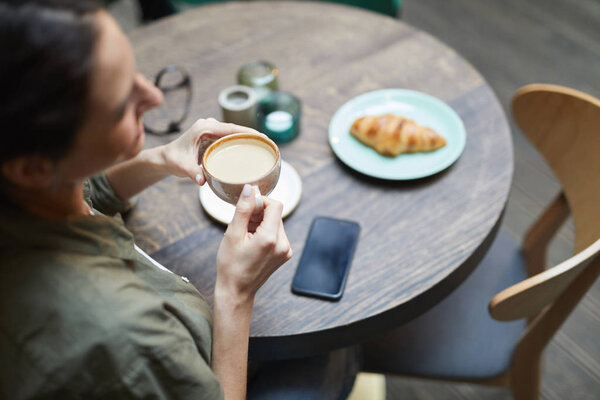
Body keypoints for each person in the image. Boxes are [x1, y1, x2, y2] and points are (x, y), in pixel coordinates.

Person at [0, 1, 359, 399]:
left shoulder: (27, 193)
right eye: (121, 103)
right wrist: (236, 294)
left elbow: (87, 191)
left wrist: (159, 159)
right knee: (337, 345)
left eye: (135, 72)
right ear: (31, 167)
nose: (154, 97)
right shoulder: (126, 340)